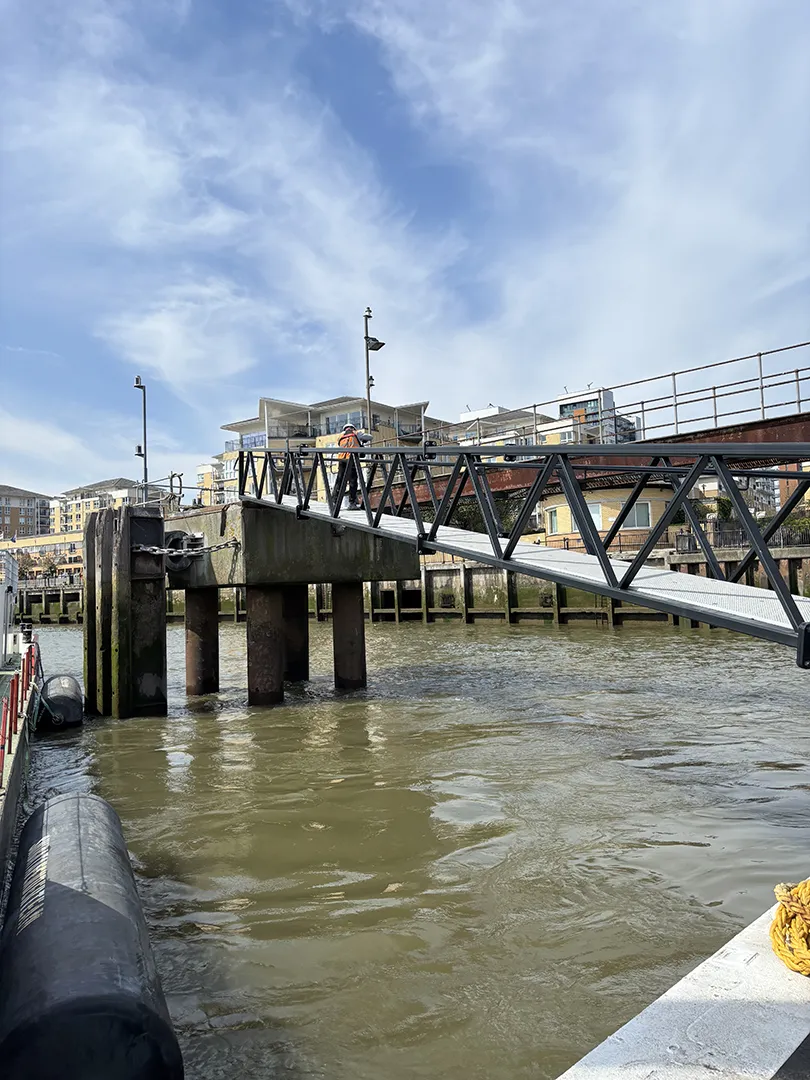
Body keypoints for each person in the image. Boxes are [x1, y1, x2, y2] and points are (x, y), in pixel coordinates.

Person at [336, 423, 362, 508]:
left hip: (342, 459)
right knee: (353, 481)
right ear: (353, 428)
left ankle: (334, 501)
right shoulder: (356, 434)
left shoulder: (340, 436)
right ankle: (352, 503)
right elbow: (369, 437)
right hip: (351, 459)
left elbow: (339, 444)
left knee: (340, 480)